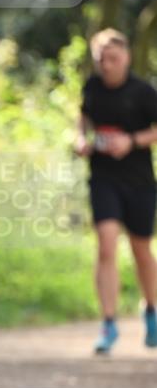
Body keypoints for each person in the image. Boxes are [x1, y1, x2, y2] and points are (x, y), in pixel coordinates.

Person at [74, 28, 157, 354]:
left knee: (141, 249)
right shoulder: (91, 87)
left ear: (126, 58)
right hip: (103, 177)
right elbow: (83, 119)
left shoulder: (143, 92)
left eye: (113, 58)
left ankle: (151, 309)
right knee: (106, 245)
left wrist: (132, 141)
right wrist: (80, 139)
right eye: (101, 59)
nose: (107, 65)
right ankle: (109, 324)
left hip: (139, 181)